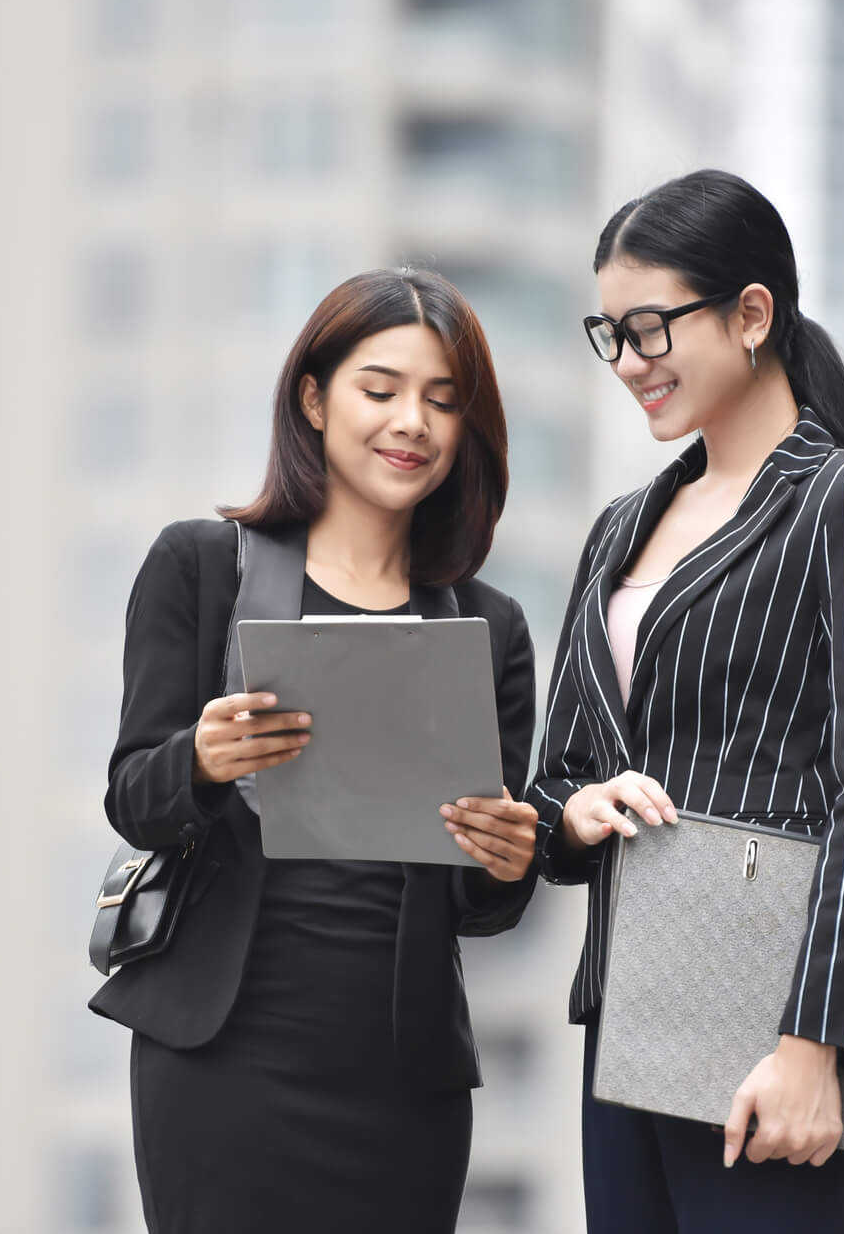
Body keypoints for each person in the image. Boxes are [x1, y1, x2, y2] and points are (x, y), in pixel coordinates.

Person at [526, 170, 844, 1232]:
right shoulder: (620, 528)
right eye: (607, 333)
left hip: (773, 1028)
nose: (628, 363)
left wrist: (817, 1044)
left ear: (751, 313)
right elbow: (560, 772)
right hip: (625, 1021)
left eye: (650, 328)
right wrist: (569, 814)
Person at [90, 268, 541, 1234]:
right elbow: (134, 793)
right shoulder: (200, 567)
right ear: (313, 397)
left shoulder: (490, 628)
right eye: (380, 389)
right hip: (223, 1060)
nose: (410, 421)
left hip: (399, 1079)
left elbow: (483, 902)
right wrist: (203, 759)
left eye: (442, 400)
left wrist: (508, 860)